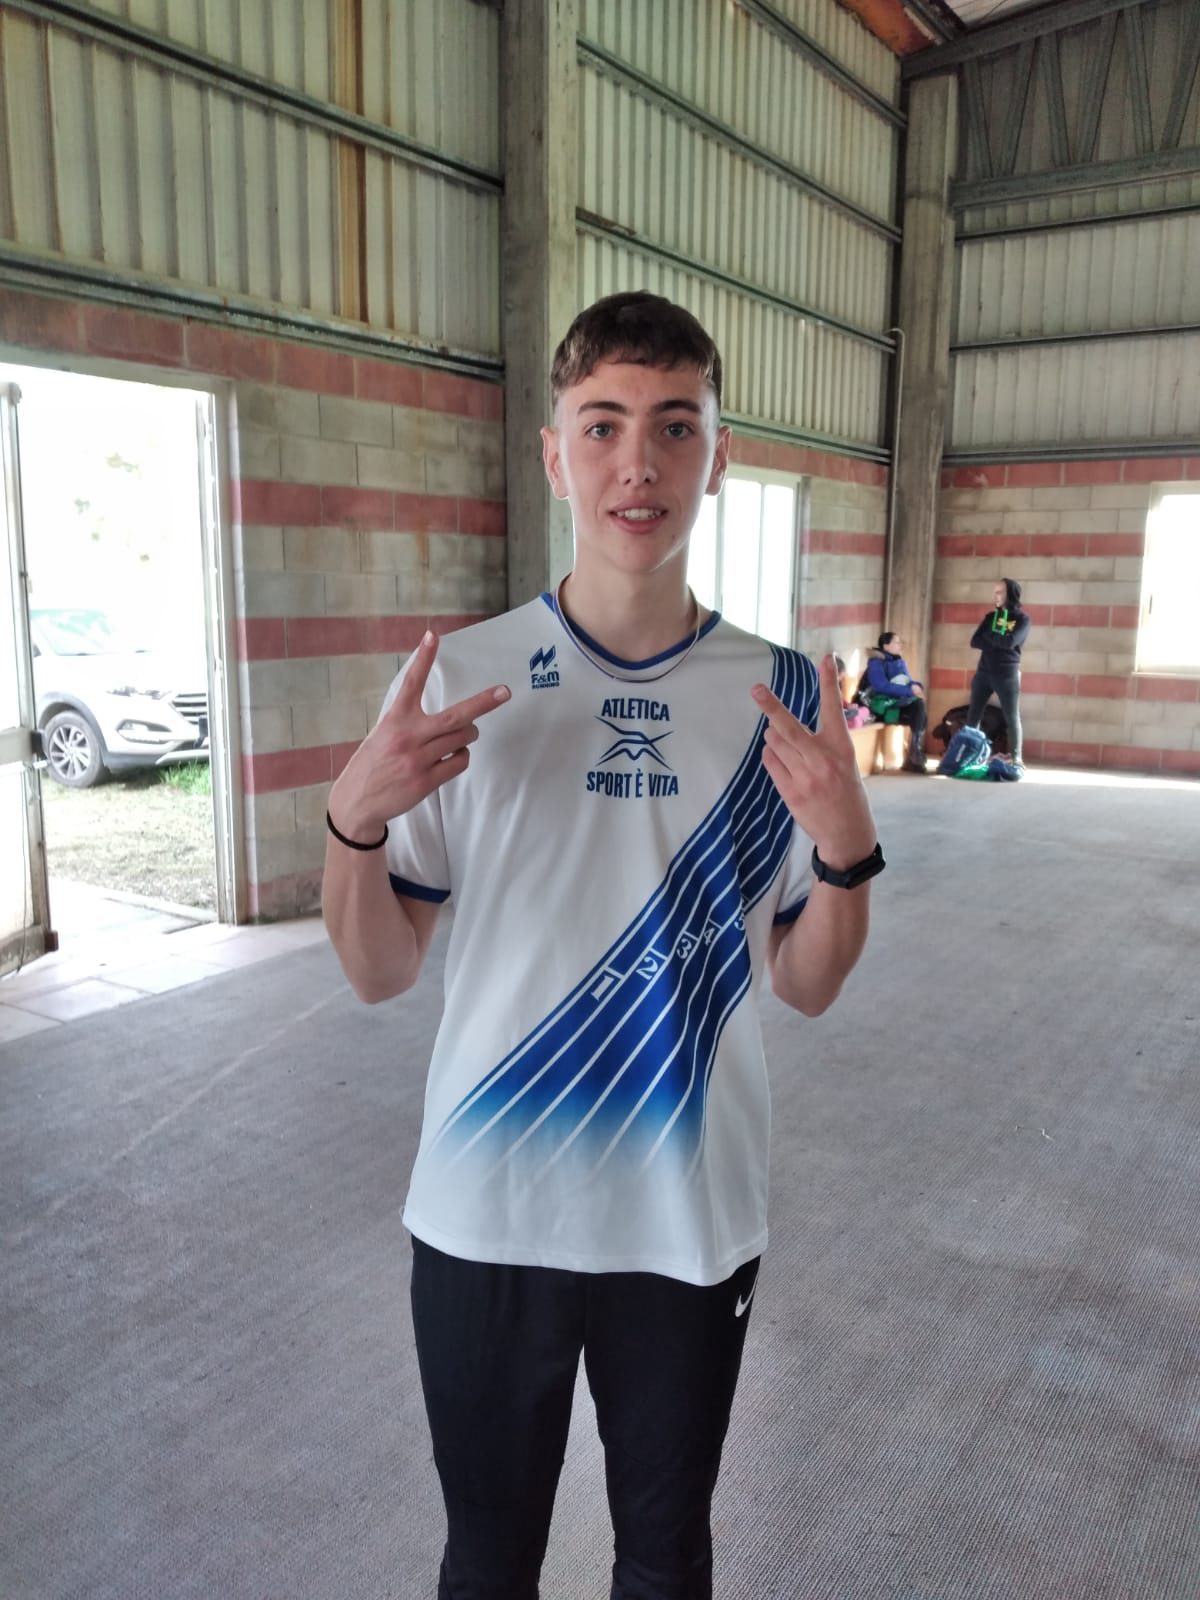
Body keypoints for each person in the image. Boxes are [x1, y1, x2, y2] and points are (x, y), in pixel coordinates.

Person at [321, 290, 883, 1600]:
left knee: (665, 1562)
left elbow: (805, 984)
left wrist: (849, 848)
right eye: (605, 425)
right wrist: (353, 818)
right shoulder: (465, 679)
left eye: (676, 427)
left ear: (718, 456)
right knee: (487, 1561)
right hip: (485, 1208)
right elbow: (378, 968)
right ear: (555, 451)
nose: (640, 463)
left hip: (686, 1217)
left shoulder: (780, 697)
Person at [966, 578, 1030, 768]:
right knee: (973, 716)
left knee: (1011, 717)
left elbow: (1011, 642)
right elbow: (975, 641)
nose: (996, 596)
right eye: (995, 592)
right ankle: (968, 755)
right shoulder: (990, 617)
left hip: (1007, 675)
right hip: (984, 672)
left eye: (1000, 592)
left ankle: (1016, 758)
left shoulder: (1022, 619)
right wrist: (998, 639)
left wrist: (990, 637)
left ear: (1010, 594)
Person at [859, 631, 928, 772]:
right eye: (896, 642)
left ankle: (914, 755)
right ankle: (914, 756)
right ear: (886, 646)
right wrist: (909, 691)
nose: (900, 645)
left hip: (894, 703)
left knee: (920, 711)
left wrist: (917, 686)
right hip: (879, 706)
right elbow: (882, 687)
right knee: (918, 710)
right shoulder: (876, 663)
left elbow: (908, 680)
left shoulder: (898, 661)